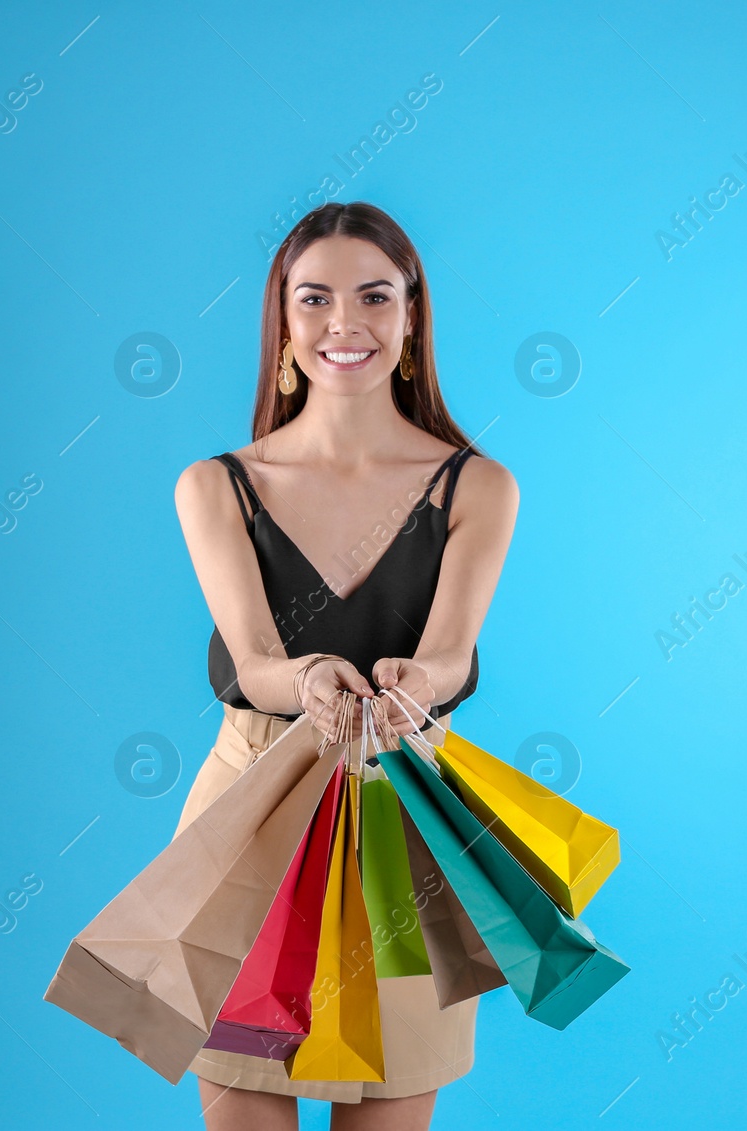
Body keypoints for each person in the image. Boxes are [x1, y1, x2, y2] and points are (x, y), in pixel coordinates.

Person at [172, 201, 518, 1131]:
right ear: (282, 323)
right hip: (251, 809)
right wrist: (312, 676)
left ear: (411, 320)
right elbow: (253, 658)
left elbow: (447, 653)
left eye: (374, 296)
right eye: (314, 298)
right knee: (243, 1082)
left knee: (392, 1100)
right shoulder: (217, 485)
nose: (343, 323)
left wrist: (417, 686)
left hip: (405, 811)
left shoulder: (477, 485)